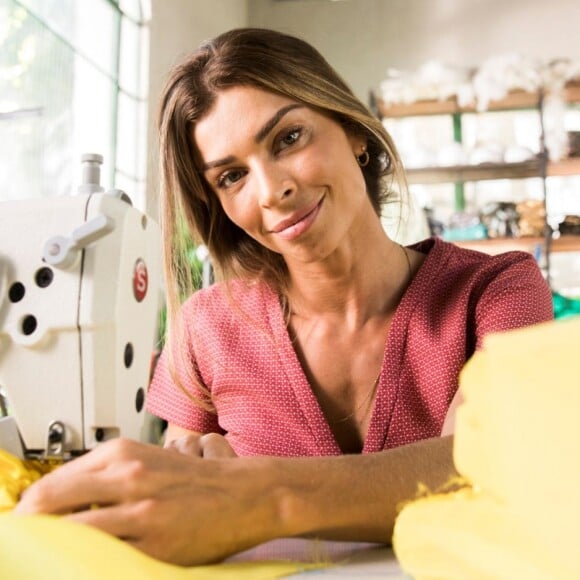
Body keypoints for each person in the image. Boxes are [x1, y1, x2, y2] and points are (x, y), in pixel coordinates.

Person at [15, 28, 554, 565]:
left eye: (288, 138)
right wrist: (192, 464)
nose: (271, 191)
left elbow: (485, 465)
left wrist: (260, 495)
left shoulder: (496, 291)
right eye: (231, 176)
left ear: (354, 131)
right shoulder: (206, 326)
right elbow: (182, 480)